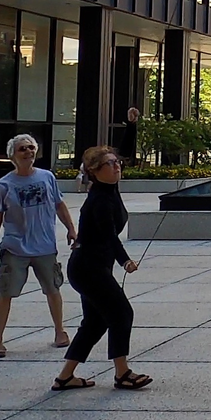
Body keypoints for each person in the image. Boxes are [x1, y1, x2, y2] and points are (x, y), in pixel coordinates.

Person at [52, 145, 152, 391]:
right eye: (110, 163)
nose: (117, 166)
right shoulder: (99, 200)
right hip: (88, 268)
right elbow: (109, 235)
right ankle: (122, 373)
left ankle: (65, 377)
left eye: (117, 162)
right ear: (94, 171)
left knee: (95, 322)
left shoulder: (109, 191)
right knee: (121, 313)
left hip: (92, 266)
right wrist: (125, 260)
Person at [0, 134, 77, 358]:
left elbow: (59, 204)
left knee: (53, 289)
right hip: (15, 248)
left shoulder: (47, 177)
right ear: (13, 156)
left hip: (45, 246)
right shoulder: (4, 185)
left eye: (31, 147)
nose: (28, 152)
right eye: (22, 149)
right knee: (6, 292)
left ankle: (60, 331)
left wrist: (71, 229)